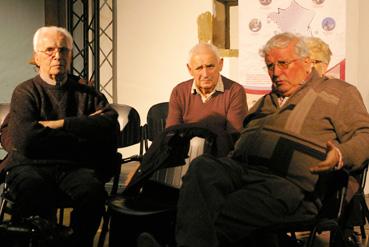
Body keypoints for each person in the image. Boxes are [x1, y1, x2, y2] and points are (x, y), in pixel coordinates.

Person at [137, 32, 369, 247]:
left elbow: (365, 135)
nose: (275, 72)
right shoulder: (267, 100)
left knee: (217, 212)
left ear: (307, 62)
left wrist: (340, 154)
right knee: (202, 167)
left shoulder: (340, 93)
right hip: (243, 170)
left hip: (289, 184)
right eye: (270, 65)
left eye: (283, 64)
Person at [0, 26, 119, 246]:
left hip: (73, 167)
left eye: (63, 50)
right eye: (49, 50)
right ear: (37, 57)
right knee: (31, 190)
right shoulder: (25, 91)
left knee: (92, 193)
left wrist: (58, 124)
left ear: (70, 55)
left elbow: (110, 126)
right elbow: (25, 140)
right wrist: (82, 132)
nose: (58, 55)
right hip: (30, 165)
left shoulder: (87, 92)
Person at [165, 42, 247, 157]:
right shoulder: (179, 92)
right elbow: (171, 133)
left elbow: (234, 138)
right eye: (199, 68)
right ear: (190, 69)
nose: (205, 74)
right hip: (186, 157)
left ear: (221, 64)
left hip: (220, 159)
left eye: (210, 66)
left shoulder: (234, 91)